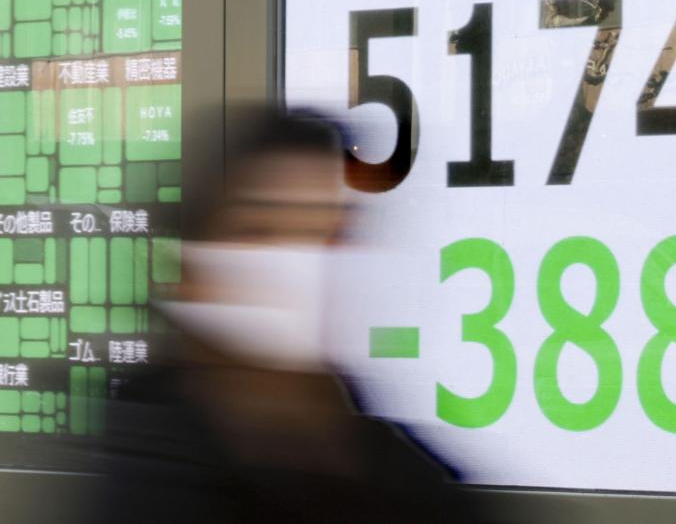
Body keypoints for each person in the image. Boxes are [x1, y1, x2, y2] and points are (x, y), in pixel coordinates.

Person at [87, 106, 480, 523]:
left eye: (331, 235)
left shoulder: (404, 478)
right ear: (187, 268)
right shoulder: (145, 466)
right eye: (260, 231)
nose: (302, 264)